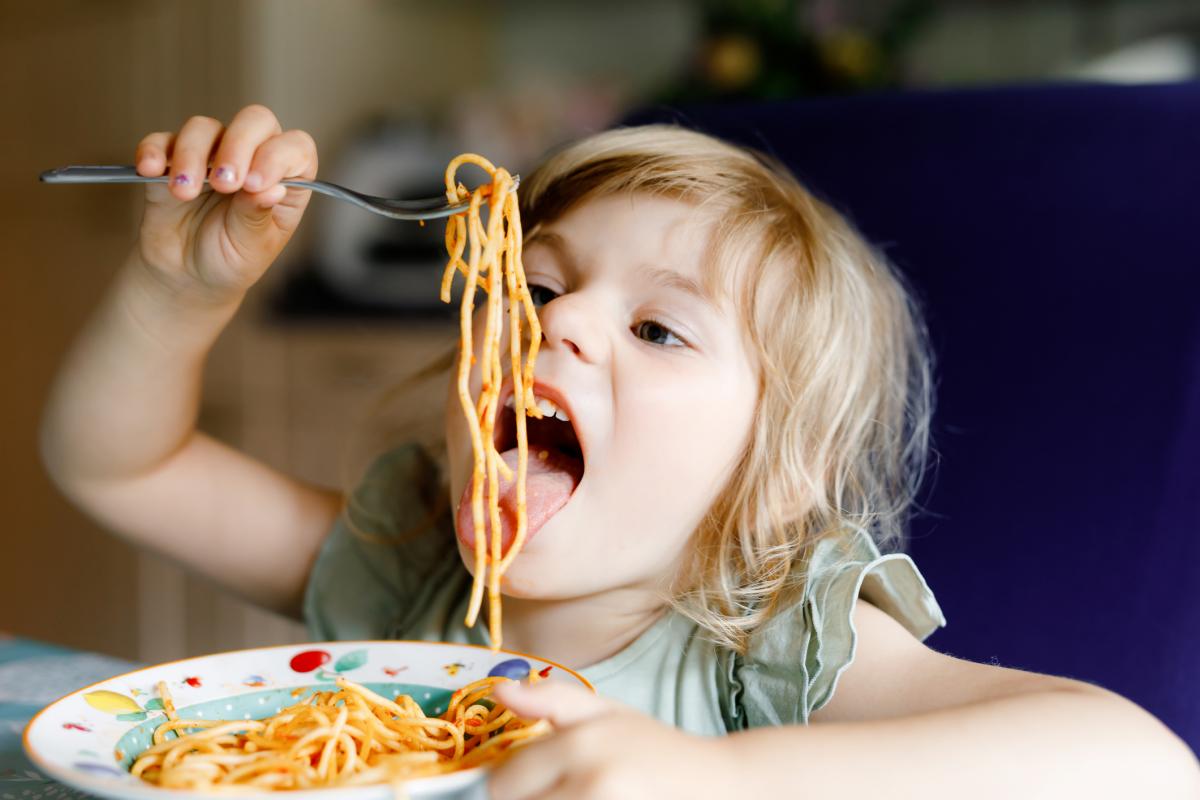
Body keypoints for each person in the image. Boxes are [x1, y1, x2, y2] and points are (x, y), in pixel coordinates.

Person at [39, 104, 1199, 798]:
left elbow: (1141, 766)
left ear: (774, 474)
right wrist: (175, 296)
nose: (561, 322)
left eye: (657, 327)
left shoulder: (765, 643)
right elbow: (121, 465)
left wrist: (718, 779)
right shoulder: (410, 567)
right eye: (532, 283)